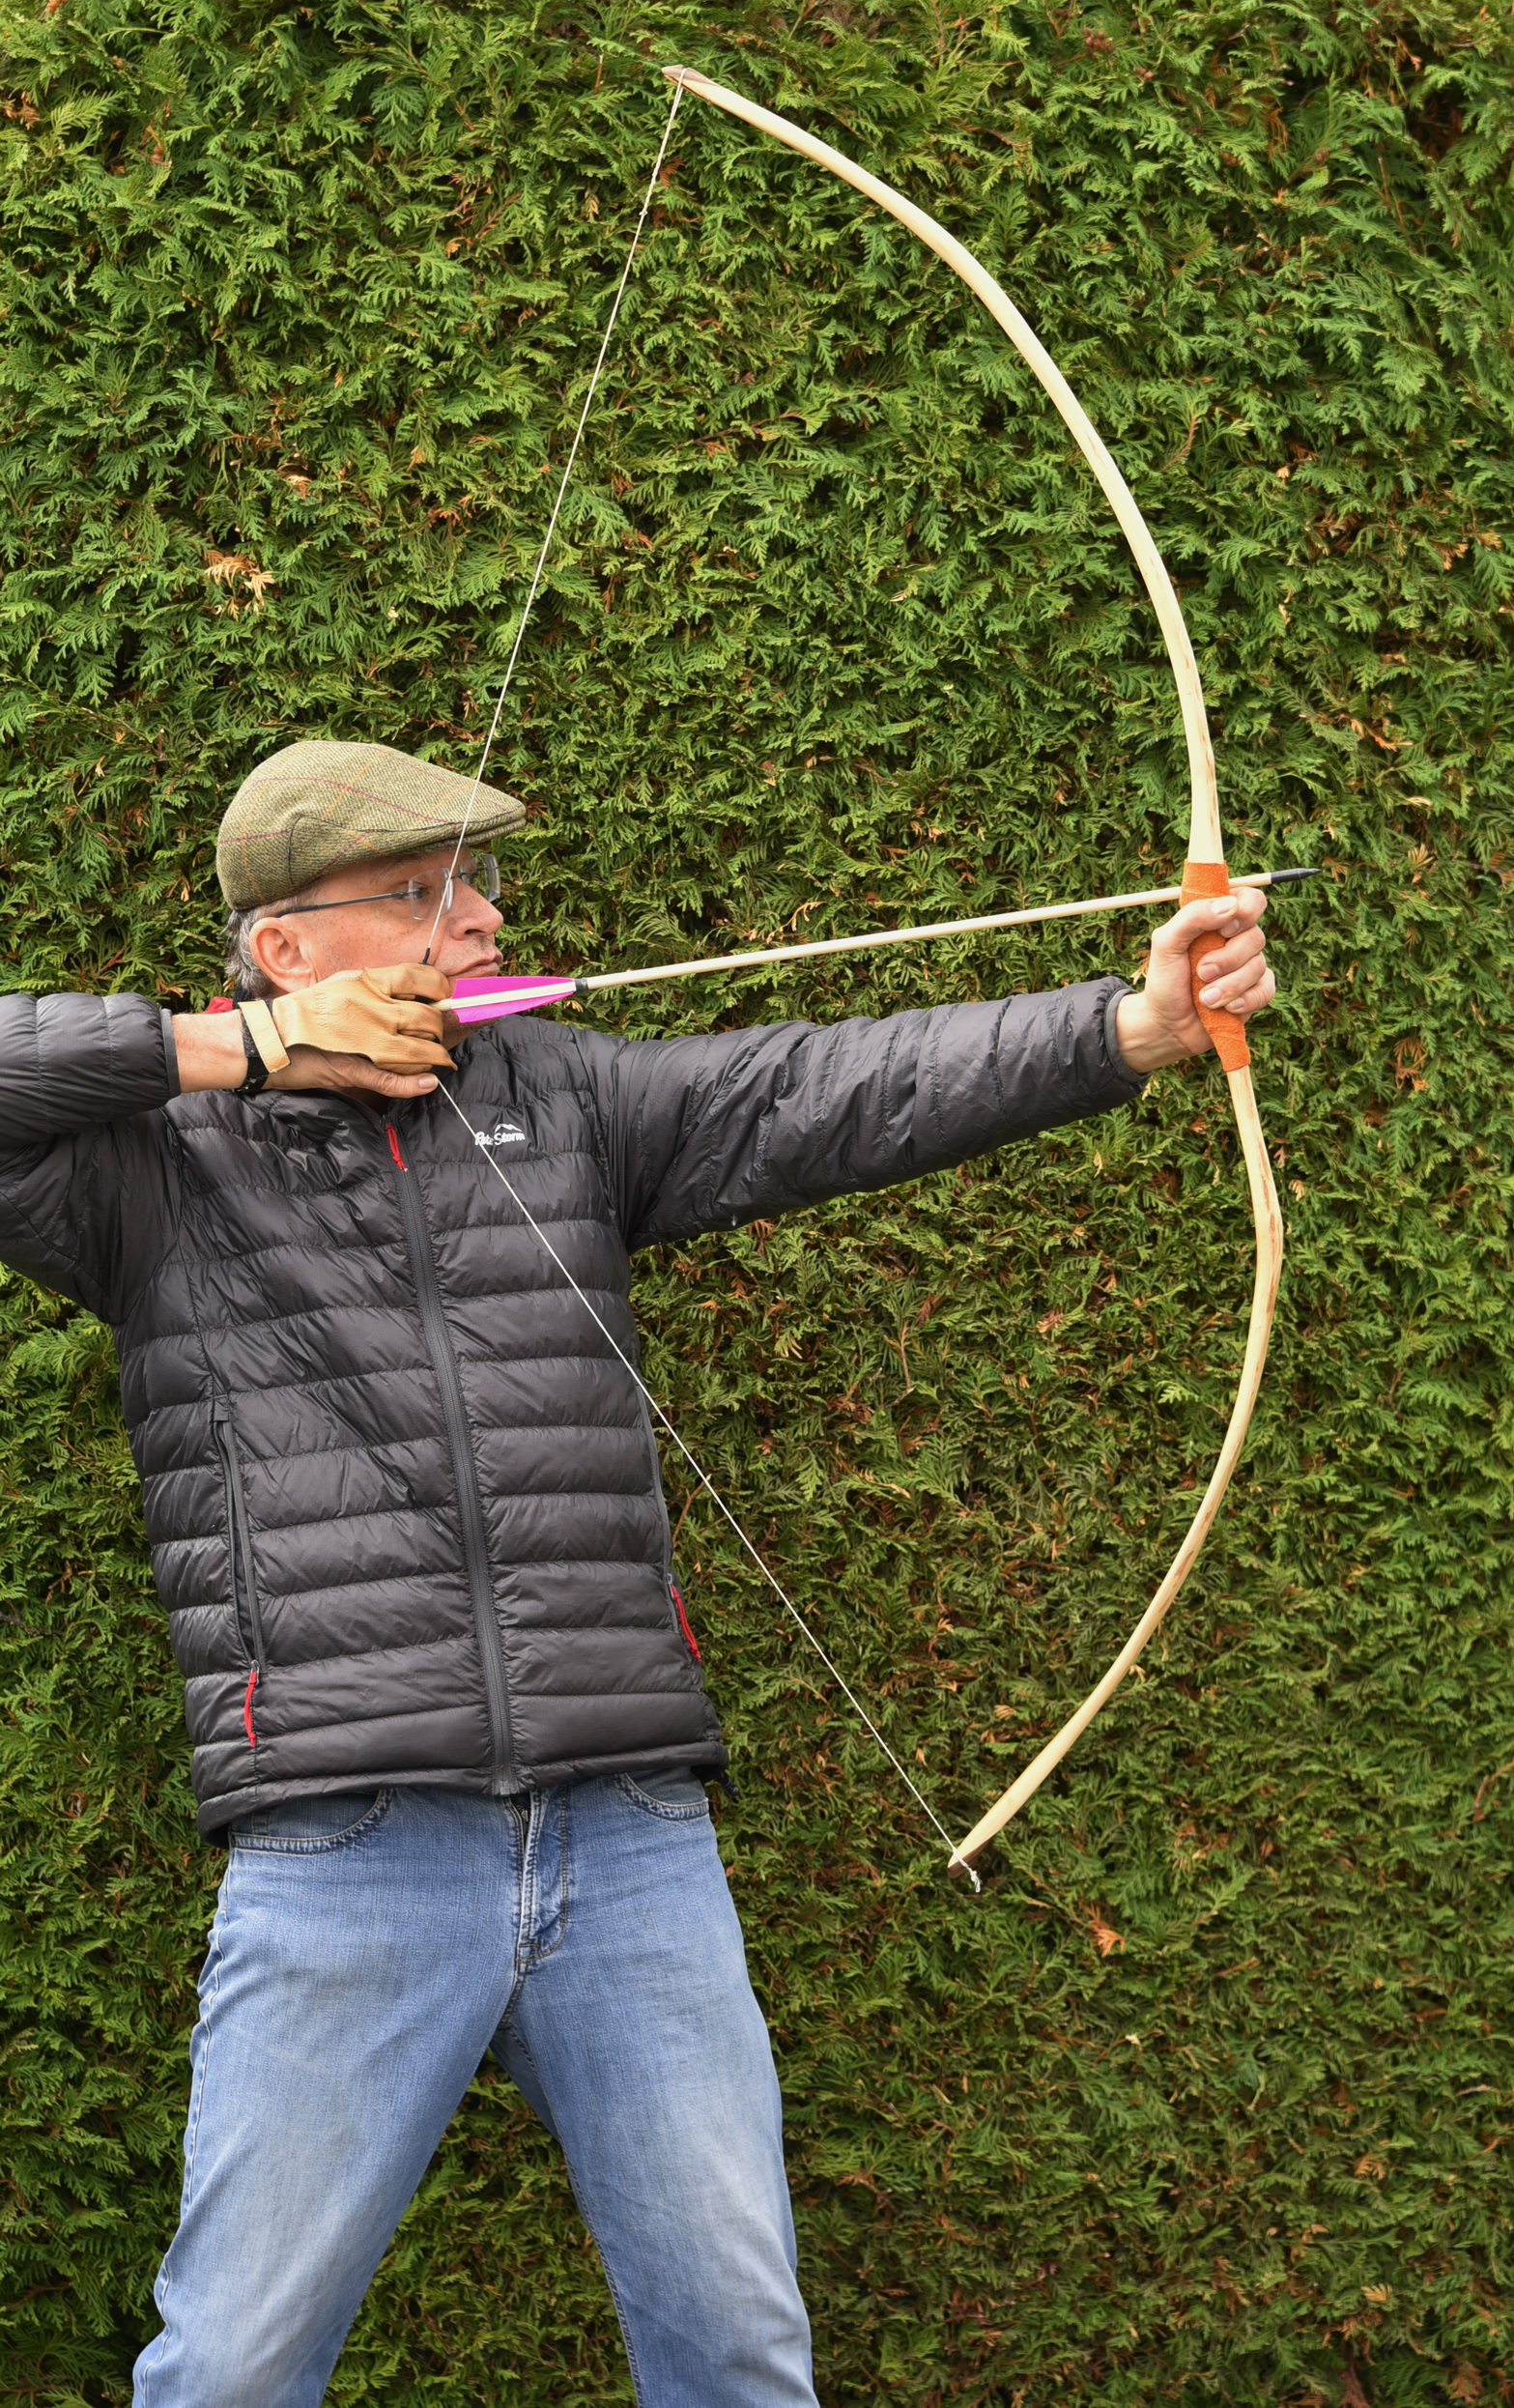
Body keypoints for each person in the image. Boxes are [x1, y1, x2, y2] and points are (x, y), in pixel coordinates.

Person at [0, 739, 1276, 2408]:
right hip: (348, 1843)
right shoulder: (150, 1164)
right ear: (286, 943)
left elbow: (826, 1088)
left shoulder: (563, 1099)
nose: (480, 918)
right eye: (422, 890)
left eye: (479, 883)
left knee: (739, 2355)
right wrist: (230, 1050)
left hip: (629, 1836)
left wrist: (1133, 1027)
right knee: (233, 2369)